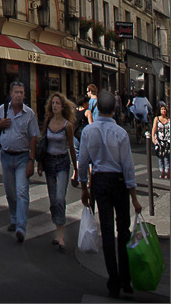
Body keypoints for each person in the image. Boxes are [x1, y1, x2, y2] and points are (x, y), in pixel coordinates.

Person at [78, 90, 142, 298]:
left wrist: (84, 188)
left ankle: (113, 280)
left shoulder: (88, 132)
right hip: (119, 182)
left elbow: (83, 162)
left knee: (106, 231)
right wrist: (133, 196)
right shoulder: (121, 133)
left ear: (98, 109)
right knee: (122, 230)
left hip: (99, 181)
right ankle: (126, 279)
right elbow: (128, 167)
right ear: (114, 110)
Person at [0, 81, 39, 242]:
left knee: (22, 192)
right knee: (10, 192)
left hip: (22, 157)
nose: (19, 95)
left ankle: (20, 226)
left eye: (21, 92)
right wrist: (0, 124)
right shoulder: (3, 110)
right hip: (6, 156)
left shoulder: (29, 114)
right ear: (10, 94)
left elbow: (33, 137)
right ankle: (13, 217)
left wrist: (32, 160)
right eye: (16, 92)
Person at [37, 92, 77, 251]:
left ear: (63, 107)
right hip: (48, 162)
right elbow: (43, 142)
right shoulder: (47, 121)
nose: (54, 106)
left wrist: (77, 168)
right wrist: (39, 163)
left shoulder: (68, 125)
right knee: (53, 200)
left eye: (57, 103)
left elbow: (72, 148)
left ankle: (60, 235)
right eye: (53, 103)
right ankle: (58, 230)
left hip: (62, 163)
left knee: (60, 197)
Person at [152, 103, 170, 179]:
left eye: (164, 109)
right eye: (162, 109)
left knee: (167, 156)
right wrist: (153, 137)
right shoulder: (157, 119)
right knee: (160, 156)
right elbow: (154, 128)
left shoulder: (169, 120)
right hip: (159, 140)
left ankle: (167, 172)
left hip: (168, 140)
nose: (163, 111)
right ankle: (162, 172)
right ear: (159, 111)